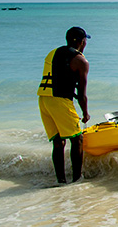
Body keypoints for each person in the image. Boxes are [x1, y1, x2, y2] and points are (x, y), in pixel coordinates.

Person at [37, 26, 91, 184]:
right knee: (77, 139)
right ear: (82, 42)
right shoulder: (81, 61)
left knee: (58, 141)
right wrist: (85, 113)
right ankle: (77, 179)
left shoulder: (52, 53)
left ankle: (60, 180)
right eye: (85, 40)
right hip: (59, 100)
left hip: (43, 99)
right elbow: (81, 93)